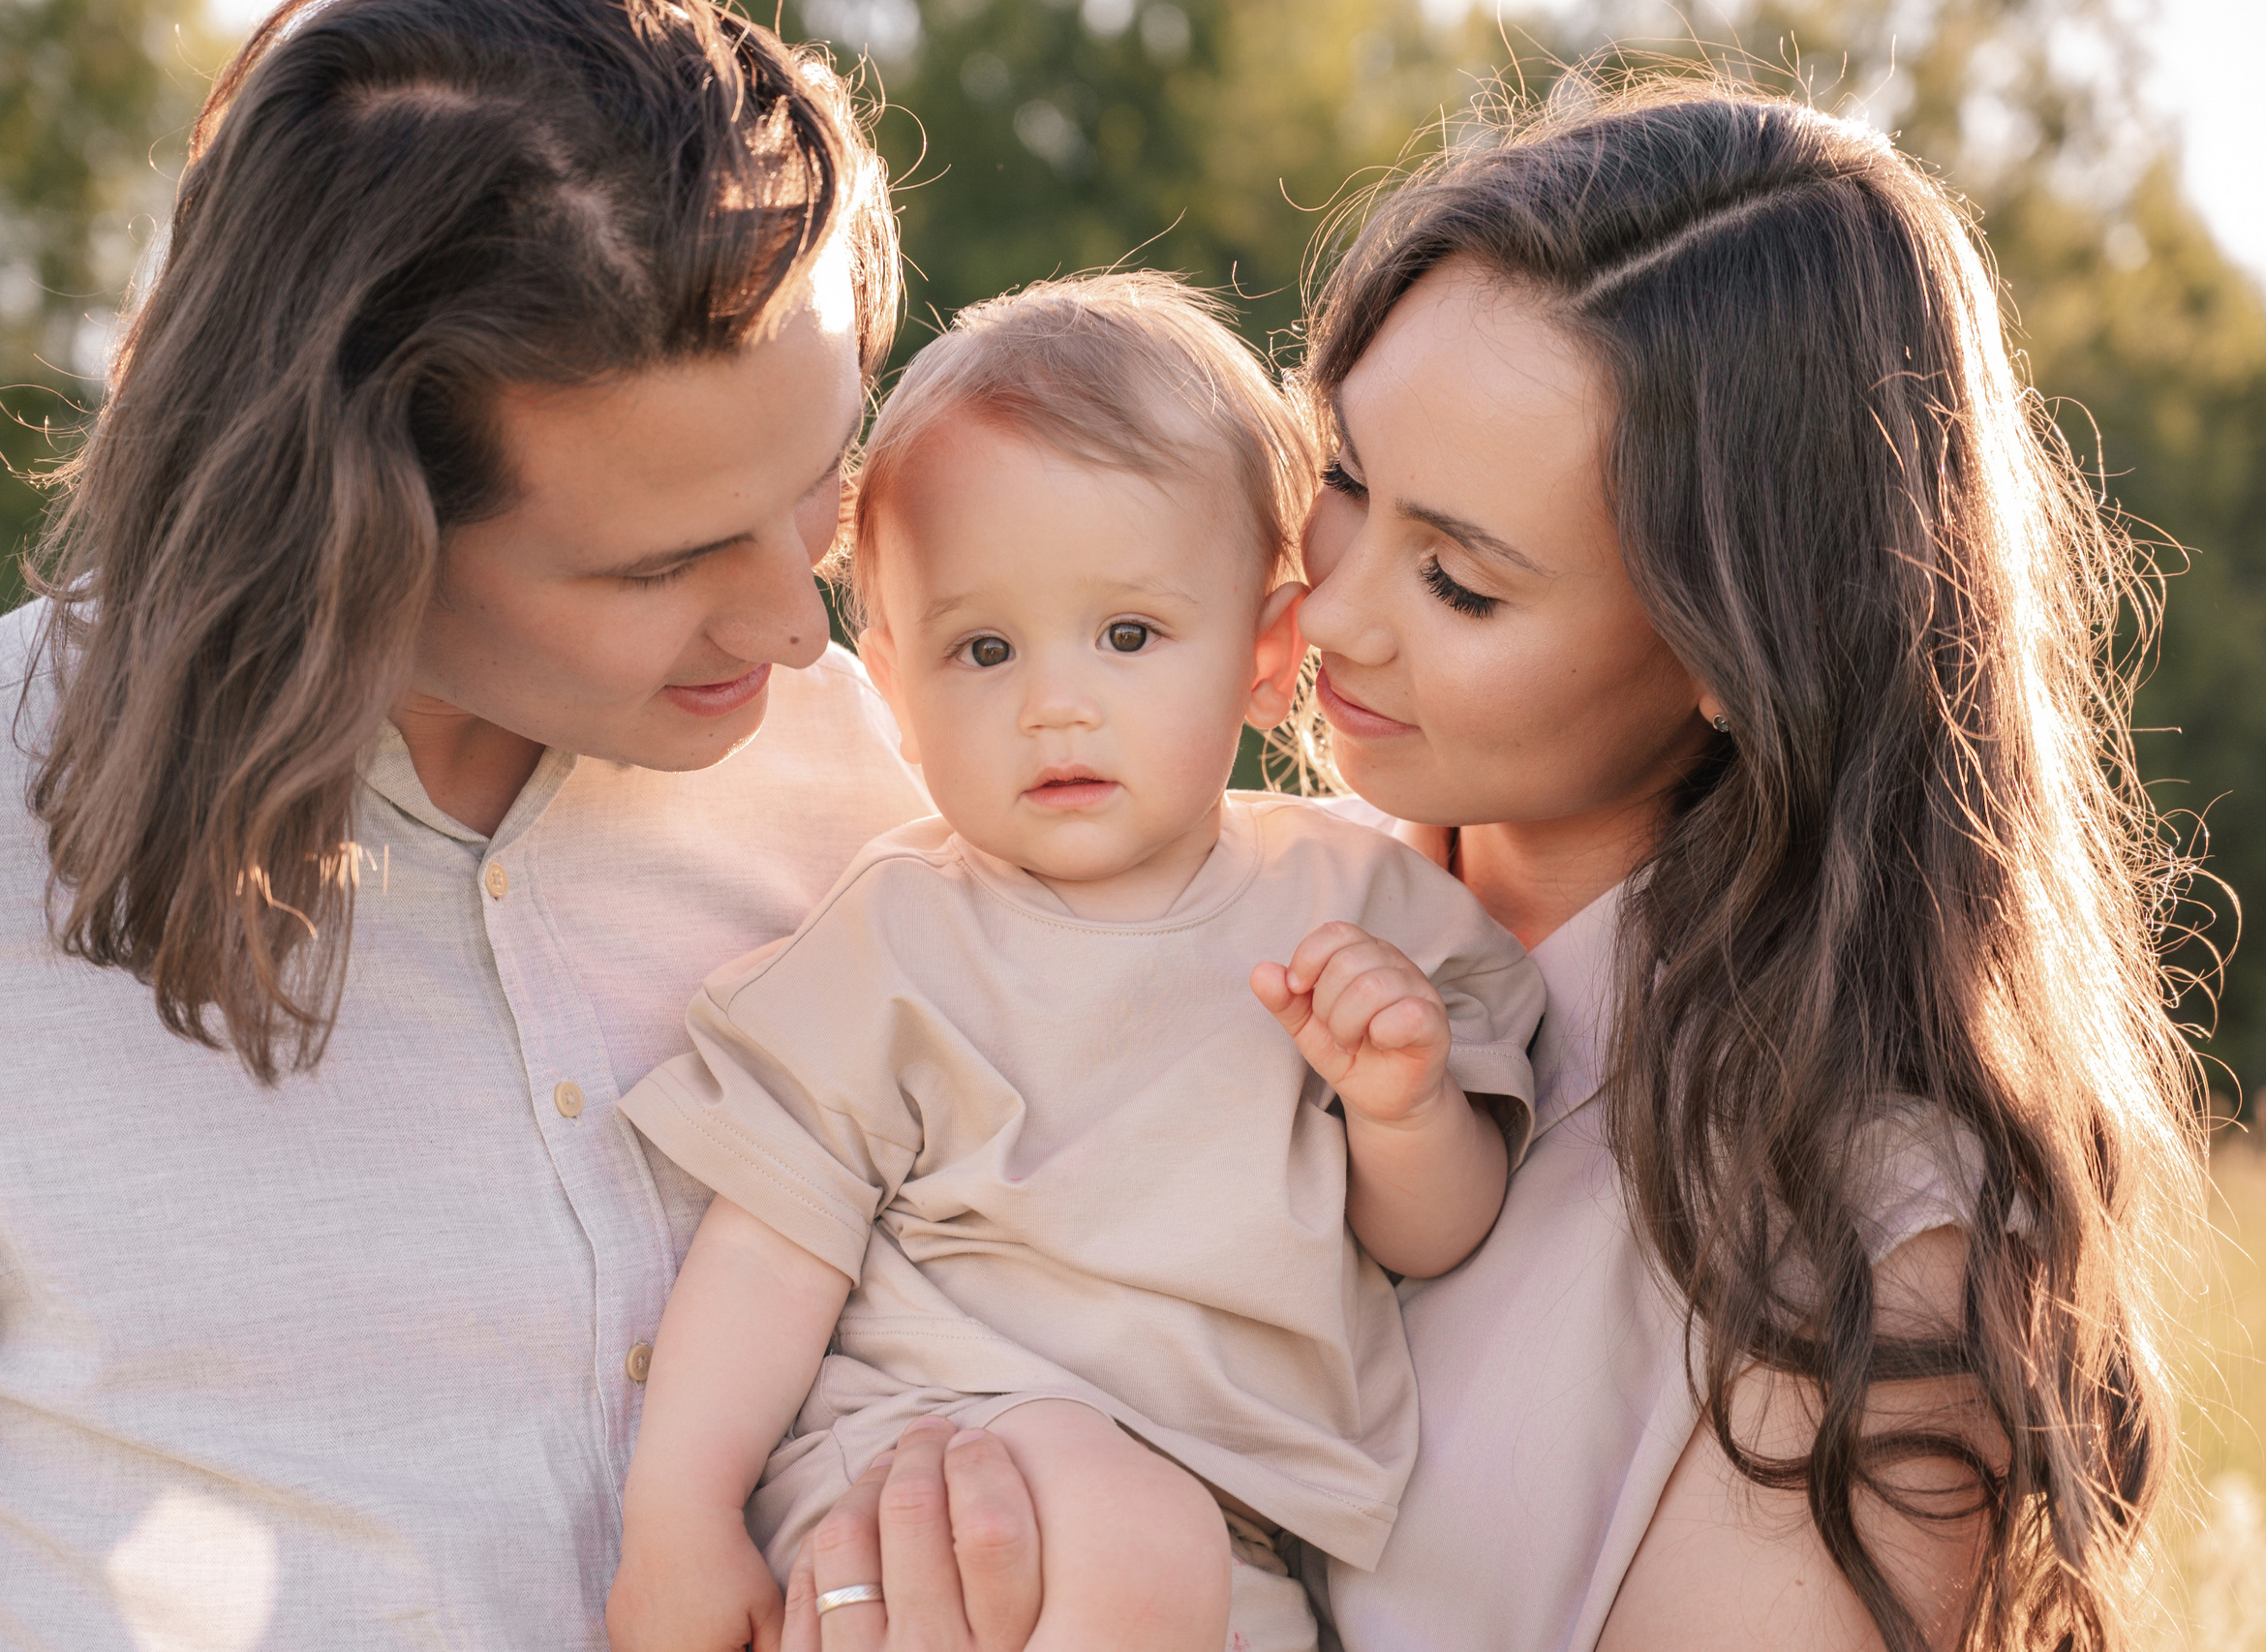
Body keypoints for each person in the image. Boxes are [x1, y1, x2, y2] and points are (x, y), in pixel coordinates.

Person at [772, 79, 2206, 1652]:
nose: (1326, 613)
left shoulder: (1874, 1246)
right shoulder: (1176, 903)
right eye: (1346, 484)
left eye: (1458, 581)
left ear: (1734, 649)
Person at [0, 2, 972, 1645]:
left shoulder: (892, 788)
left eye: (815, 479)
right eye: (662, 563)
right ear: (347, 527)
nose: (794, 622)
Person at [603, 273, 1546, 1652]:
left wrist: (1405, 1109)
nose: (1057, 701)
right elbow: (767, 1250)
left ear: (1267, 652)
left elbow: (1438, 1237)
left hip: (1235, 1538)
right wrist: (676, 1521)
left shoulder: (1356, 905)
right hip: (924, 1477)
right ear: (897, 694)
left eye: (1128, 634)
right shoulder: (901, 936)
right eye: (983, 648)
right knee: (1126, 1524)